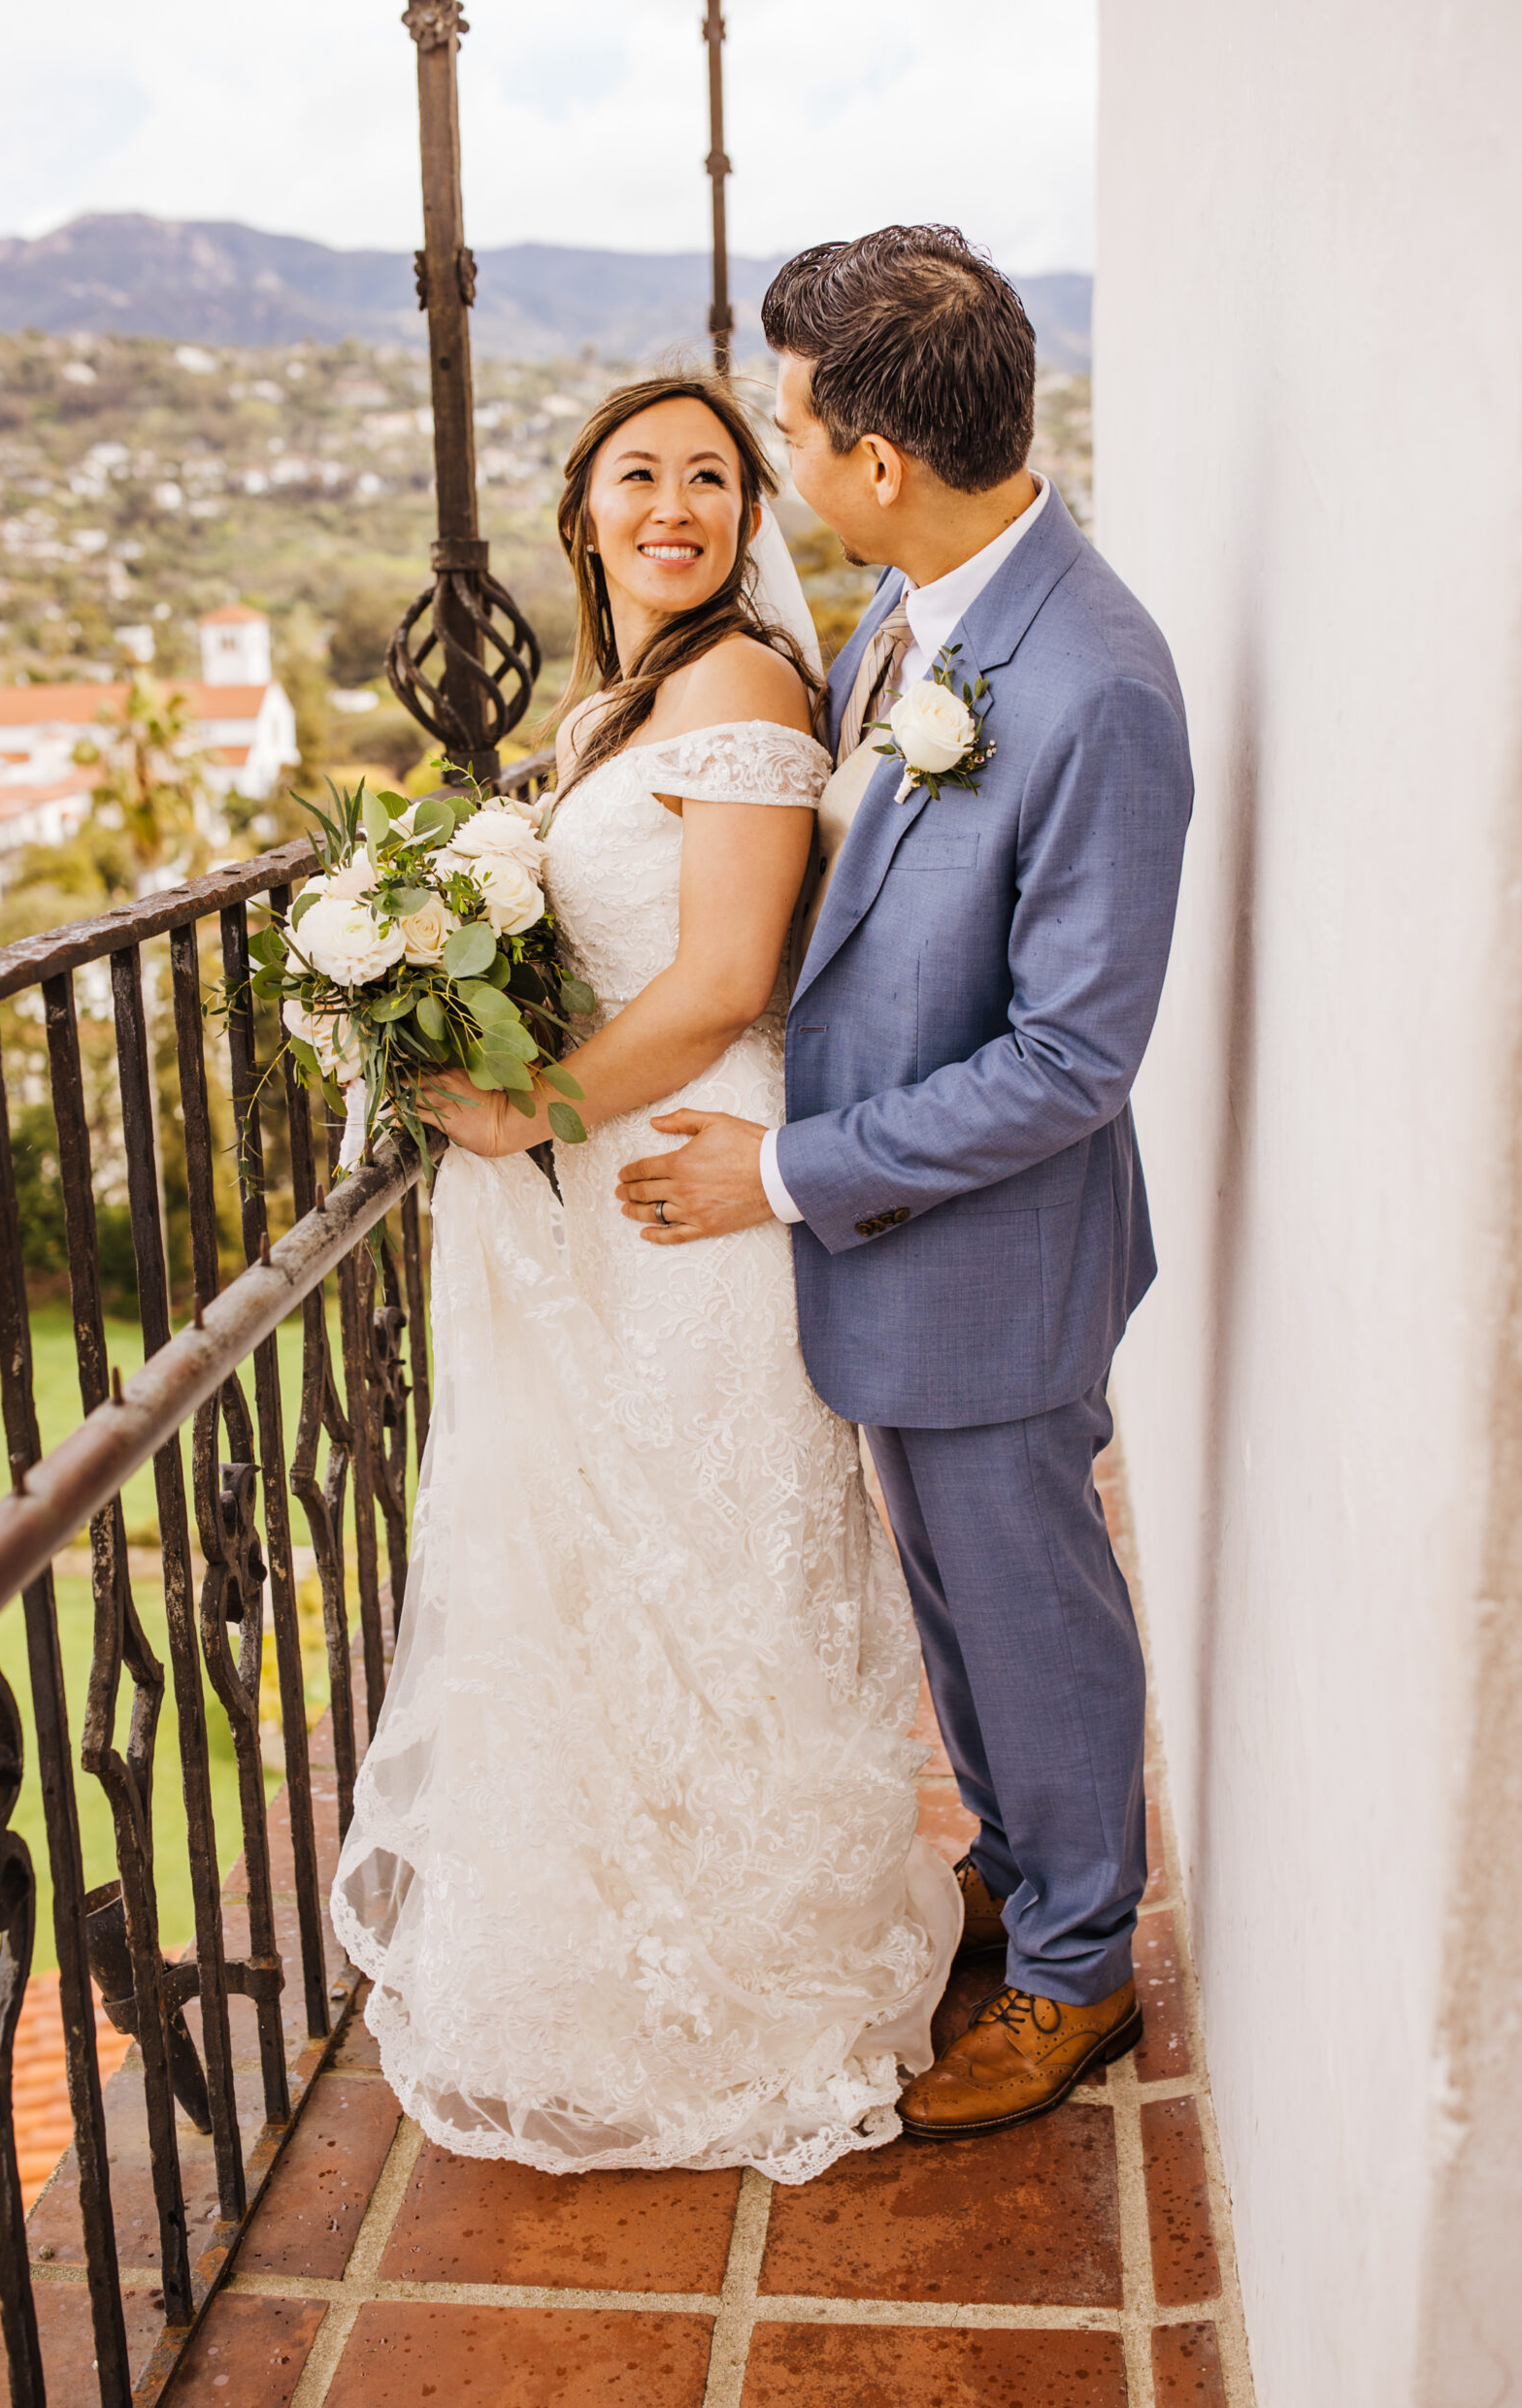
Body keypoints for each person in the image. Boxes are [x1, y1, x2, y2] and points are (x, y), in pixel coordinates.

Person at [331, 372, 960, 2182]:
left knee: (715, 1575)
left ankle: (767, 1988)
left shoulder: (744, 679)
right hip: (600, 1184)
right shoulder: (620, 706)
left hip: (685, 1190)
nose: (674, 501)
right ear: (584, 515)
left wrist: (521, 1114)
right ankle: (637, 1957)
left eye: (712, 474)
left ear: (750, 512)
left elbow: (721, 978)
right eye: (638, 476)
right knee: (613, 1583)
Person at [617, 226, 1194, 2138]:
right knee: (958, 1606)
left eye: (783, 428)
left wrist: (780, 1170)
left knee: (1030, 1606)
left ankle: (1076, 1968)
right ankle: (1021, 1858)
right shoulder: (909, 620)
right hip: (897, 1252)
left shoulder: (1094, 681)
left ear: (879, 461)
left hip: (993, 1258)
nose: (772, 459)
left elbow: (1066, 1058)